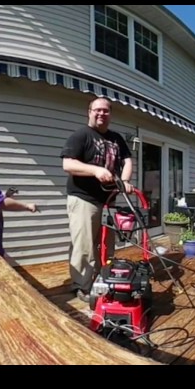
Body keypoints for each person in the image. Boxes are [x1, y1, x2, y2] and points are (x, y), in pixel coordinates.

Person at [60, 97, 133, 302]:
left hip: (109, 200)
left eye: (106, 111)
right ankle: (81, 285)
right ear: (89, 112)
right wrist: (95, 170)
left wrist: (125, 180)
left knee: (106, 244)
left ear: (110, 114)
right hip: (84, 198)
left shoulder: (117, 138)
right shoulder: (81, 135)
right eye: (97, 110)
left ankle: (104, 278)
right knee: (84, 245)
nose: (101, 114)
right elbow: (68, 164)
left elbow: (127, 161)